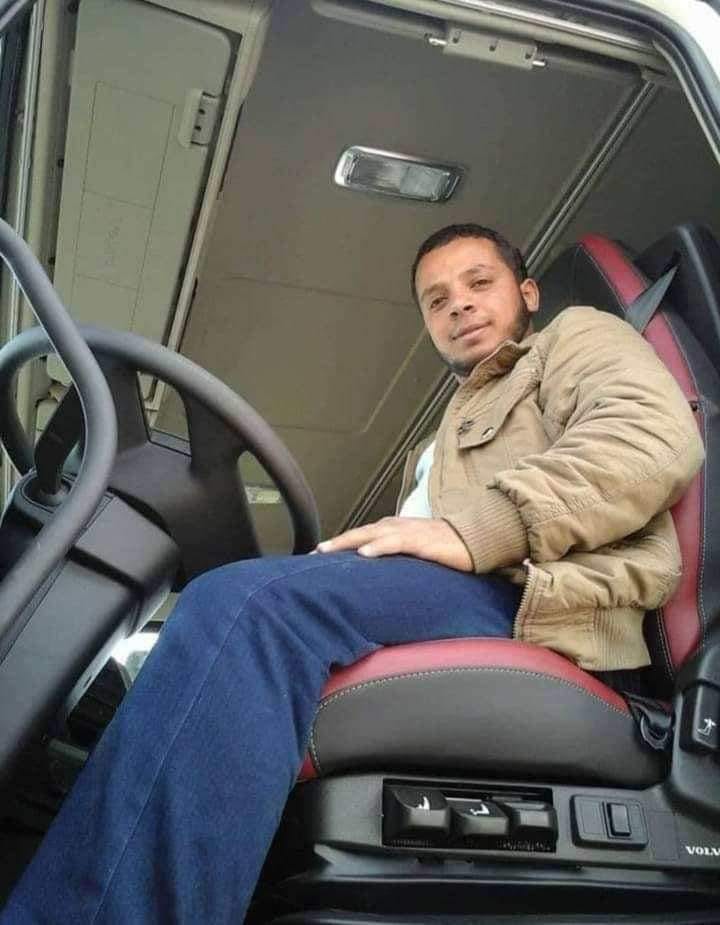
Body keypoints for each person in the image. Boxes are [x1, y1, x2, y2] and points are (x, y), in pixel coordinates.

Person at [2, 224, 703, 923]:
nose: (458, 304)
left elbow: (649, 438)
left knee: (246, 604)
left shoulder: (573, 339)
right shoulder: (437, 443)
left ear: (528, 293)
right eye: (436, 300)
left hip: (533, 600)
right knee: (130, 689)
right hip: (459, 594)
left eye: (479, 283)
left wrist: (476, 529)